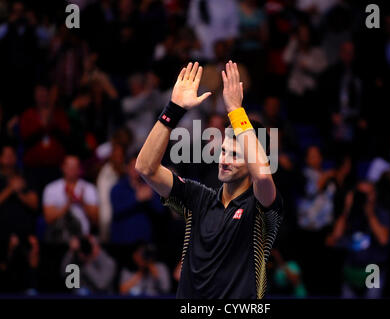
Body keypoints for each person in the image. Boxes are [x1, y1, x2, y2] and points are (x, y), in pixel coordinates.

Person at [135, 61, 283, 299]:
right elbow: (145, 168)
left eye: (235, 154)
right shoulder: (197, 198)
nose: (224, 159)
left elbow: (263, 176)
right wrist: (173, 109)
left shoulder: (262, 208)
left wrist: (235, 110)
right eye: (224, 151)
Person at [43, 155, 99, 243]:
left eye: (75, 167)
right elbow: (48, 218)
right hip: (58, 238)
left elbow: (96, 219)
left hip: (84, 239)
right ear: (63, 167)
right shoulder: (51, 188)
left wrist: (82, 202)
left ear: (79, 169)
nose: (72, 170)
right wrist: (68, 204)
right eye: (69, 167)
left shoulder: (89, 188)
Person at [110, 156, 164, 244]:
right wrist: (136, 198)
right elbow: (117, 210)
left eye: (139, 166)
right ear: (127, 168)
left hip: (146, 241)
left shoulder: (149, 186)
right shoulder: (118, 188)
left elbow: (160, 210)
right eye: (133, 166)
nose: (136, 170)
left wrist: (150, 198)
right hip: (125, 242)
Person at [0, 145, 39, 242]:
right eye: (6, 156)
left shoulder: (26, 176)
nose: (9, 159)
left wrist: (19, 193)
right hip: (2, 229)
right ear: (0, 158)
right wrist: (10, 189)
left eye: (12, 155)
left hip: (24, 229)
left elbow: (34, 204)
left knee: (33, 243)